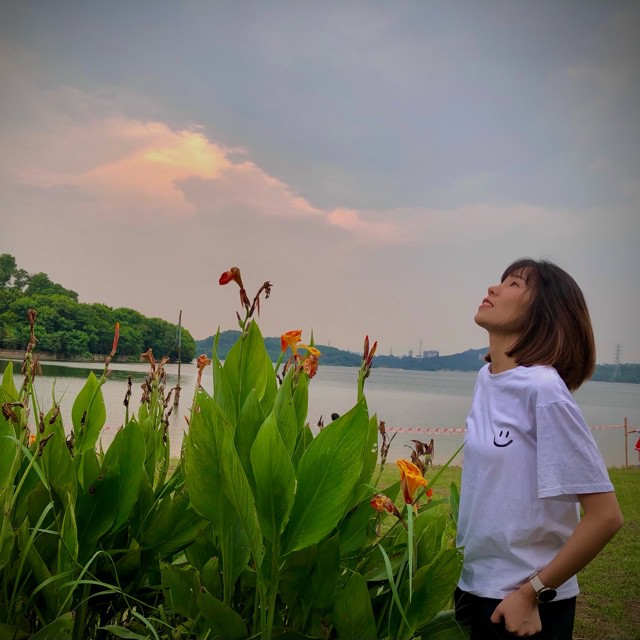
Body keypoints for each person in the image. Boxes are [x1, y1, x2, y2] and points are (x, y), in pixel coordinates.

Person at [454, 258, 623, 639]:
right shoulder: (486, 379)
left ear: (543, 313)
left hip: (525, 604)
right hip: (473, 588)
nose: (494, 288)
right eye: (501, 281)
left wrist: (532, 593)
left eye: (514, 284)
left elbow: (606, 516)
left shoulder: (543, 389)